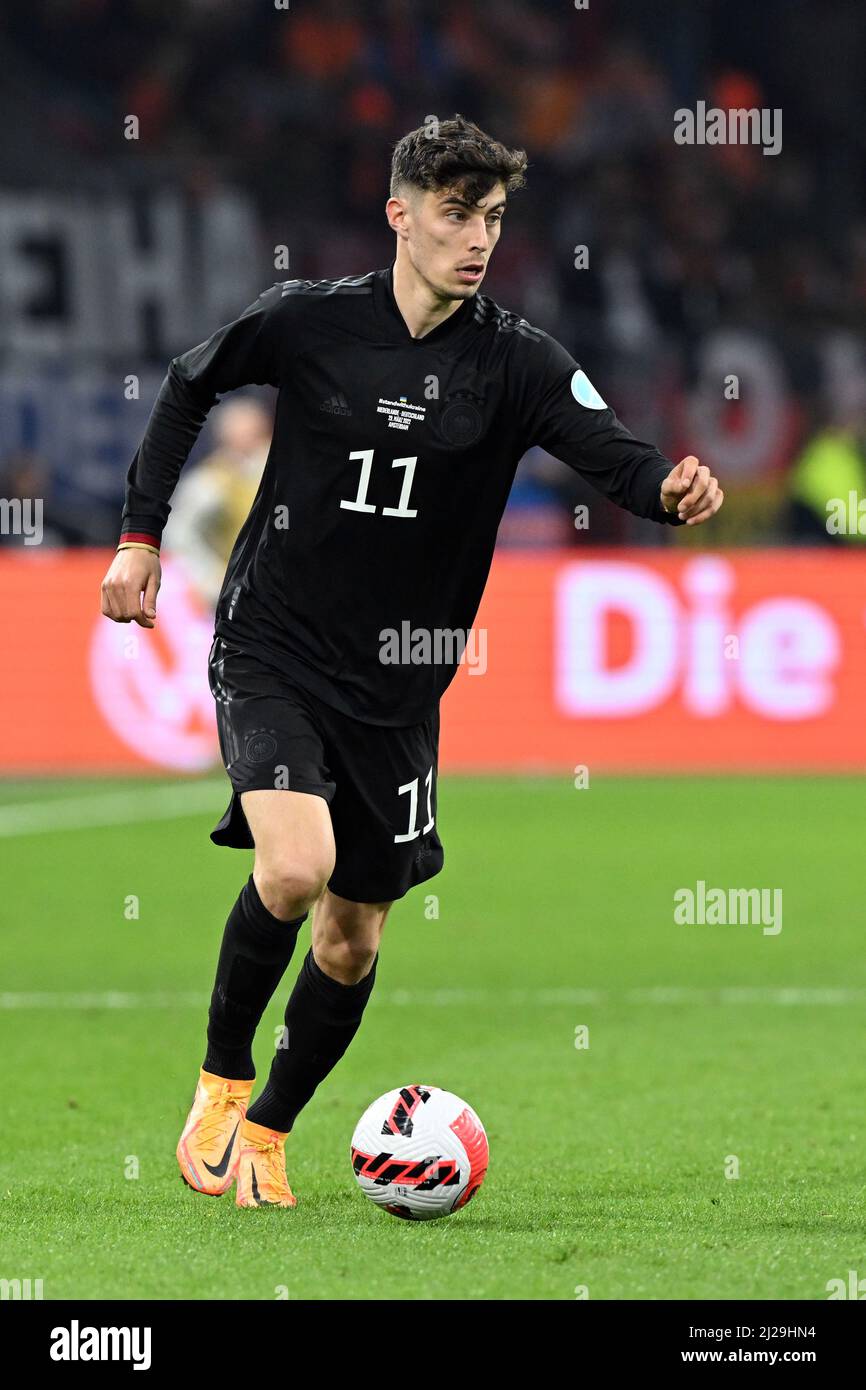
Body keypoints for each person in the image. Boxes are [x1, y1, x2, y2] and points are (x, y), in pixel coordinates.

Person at [100, 114, 724, 1209]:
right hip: (273, 645)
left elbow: (613, 453)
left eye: (490, 217)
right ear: (399, 215)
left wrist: (668, 490)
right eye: (453, 214)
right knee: (293, 868)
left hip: (398, 686)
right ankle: (221, 1079)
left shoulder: (516, 361)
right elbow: (190, 382)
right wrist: (141, 537)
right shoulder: (305, 324)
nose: (476, 237)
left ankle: (272, 1131)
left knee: (349, 938)